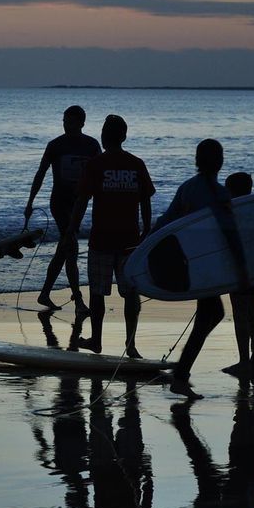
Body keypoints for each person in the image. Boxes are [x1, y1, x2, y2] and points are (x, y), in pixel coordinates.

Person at [157, 139, 250, 397]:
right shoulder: (218, 193)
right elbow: (230, 234)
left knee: (212, 314)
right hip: (208, 266)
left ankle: (182, 371)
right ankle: (180, 375)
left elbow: (166, 220)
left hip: (190, 261)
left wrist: (146, 247)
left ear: (197, 161)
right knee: (209, 315)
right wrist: (241, 269)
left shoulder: (187, 188)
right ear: (220, 161)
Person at [67, 114, 155, 358]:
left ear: (105, 137)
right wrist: (146, 229)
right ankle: (131, 344)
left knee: (97, 293)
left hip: (102, 240)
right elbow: (146, 200)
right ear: (124, 137)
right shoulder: (136, 164)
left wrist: (71, 229)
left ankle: (97, 340)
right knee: (130, 294)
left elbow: (82, 200)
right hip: (130, 240)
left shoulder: (96, 165)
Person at [24, 105, 101, 313]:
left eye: (70, 121)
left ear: (81, 123)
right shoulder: (55, 145)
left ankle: (45, 293)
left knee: (64, 249)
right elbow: (40, 173)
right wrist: (30, 202)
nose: (66, 125)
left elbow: (99, 176)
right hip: (59, 203)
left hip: (80, 204)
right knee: (71, 248)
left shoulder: (92, 145)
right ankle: (78, 302)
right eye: (64, 121)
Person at [223, 172, 254, 374]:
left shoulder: (233, 212)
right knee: (251, 312)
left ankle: (244, 360)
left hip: (238, 269)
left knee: (240, 313)